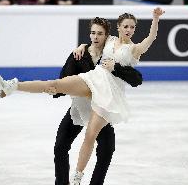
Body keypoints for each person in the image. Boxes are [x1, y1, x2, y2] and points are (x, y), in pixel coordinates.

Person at [0, 7, 164, 184]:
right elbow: (93, 43)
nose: (129, 30)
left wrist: (155, 19)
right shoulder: (109, 40)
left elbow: (151, 38)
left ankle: (77, 177)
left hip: (109, 93)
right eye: (126, 26)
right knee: (55, 84)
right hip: (94, 79)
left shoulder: (133, 49)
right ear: (119, 28)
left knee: (91, 134)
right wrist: (81, 46)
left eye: (132, 27)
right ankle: (11, 86)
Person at [53, 17, 143, 185]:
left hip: (101, 109)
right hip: (80, 107)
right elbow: (65, 78)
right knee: (60, 147)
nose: (95, 37)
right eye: (92, 33)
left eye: (99, 34)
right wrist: (57, 89)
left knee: (107, 150)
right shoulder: (79, 54)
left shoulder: (112, 55)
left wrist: (115, 68)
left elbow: (137, 78)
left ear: (107, 36)